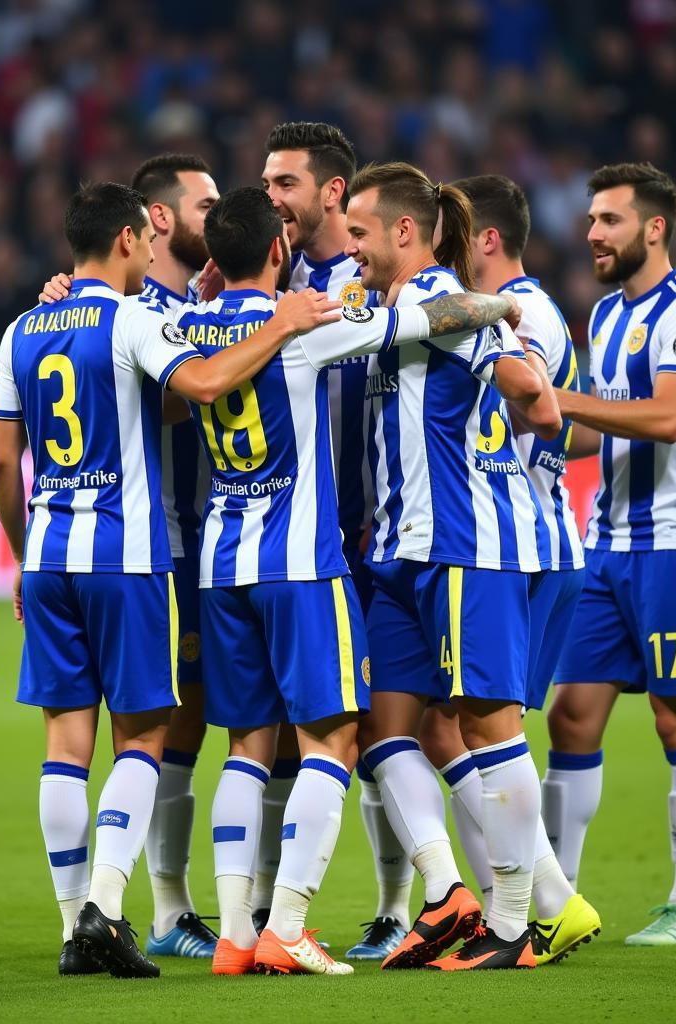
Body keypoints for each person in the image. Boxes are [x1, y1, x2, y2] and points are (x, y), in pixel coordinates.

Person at [0, 181, 341, 978]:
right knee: (142, 737)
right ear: (121, 238)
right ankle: (106, 912)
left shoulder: (21, 329)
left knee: (63, 746)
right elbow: (209, 386)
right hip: (125, 555)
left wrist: (21, 551)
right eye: (143, 242)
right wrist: (281, 321)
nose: (153, 252)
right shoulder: (133, 319)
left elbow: (5, 460)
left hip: (47, 555)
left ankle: (70, 926)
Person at [179, 186, 522, 978]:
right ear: (277, 253)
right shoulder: (305, 324)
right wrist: (497, 308)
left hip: (220, 566)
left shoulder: (185, 329)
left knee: (244, 751)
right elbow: (430, 318)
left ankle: (234, 934)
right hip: (301, 565)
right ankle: (289, 926)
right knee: (332, 743)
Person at [346, 162, 561, 971]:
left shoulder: (444, 304)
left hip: (464, 546)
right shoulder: (394, 306)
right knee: (381, 727)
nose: (353, 249)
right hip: (400, 552)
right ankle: (449, 898)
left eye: (362, 234)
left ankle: (513, 926)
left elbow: (535, 401)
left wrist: (504, 322)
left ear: (405, 230)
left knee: (486, 726)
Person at [418, 173, 601, 966]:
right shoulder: (546, 316)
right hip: (537, 538)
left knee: (480, 727)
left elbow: (545, 414)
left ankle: (530, 909)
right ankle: (536, 899)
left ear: (485, 241)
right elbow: (577, 430)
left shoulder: (508, 319)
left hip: (510, 541)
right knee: (462, 724)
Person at [549, 162, 676, 947]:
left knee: (675, 716)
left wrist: (551, 397)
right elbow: (601, 427)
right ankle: (554, 902)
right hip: (608, 545)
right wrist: (536, 432)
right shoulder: (607, 315)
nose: (592, 232)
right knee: (571, 718)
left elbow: (663, 418)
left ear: (653, 228)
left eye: (609, 221)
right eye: (592, 219)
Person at [260, 121, 408, 960]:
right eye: (267, 183)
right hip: (293, 538)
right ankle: (264, 915)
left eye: (287, 183)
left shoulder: (368, 275)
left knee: (388, 727)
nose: (272, 197)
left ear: (332, 193)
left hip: (371, 532)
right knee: (291, 733)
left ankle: (392, 904)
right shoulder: (259, 283)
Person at [130, 153, 222, 960]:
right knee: (164, 721)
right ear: (160, 218)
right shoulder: (135, 313)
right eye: (206, 203)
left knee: (209, 718)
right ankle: (165, 906)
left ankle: (240, 906)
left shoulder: (200, 302)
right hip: (163, 545)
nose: (218, 215)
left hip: (216, 543)